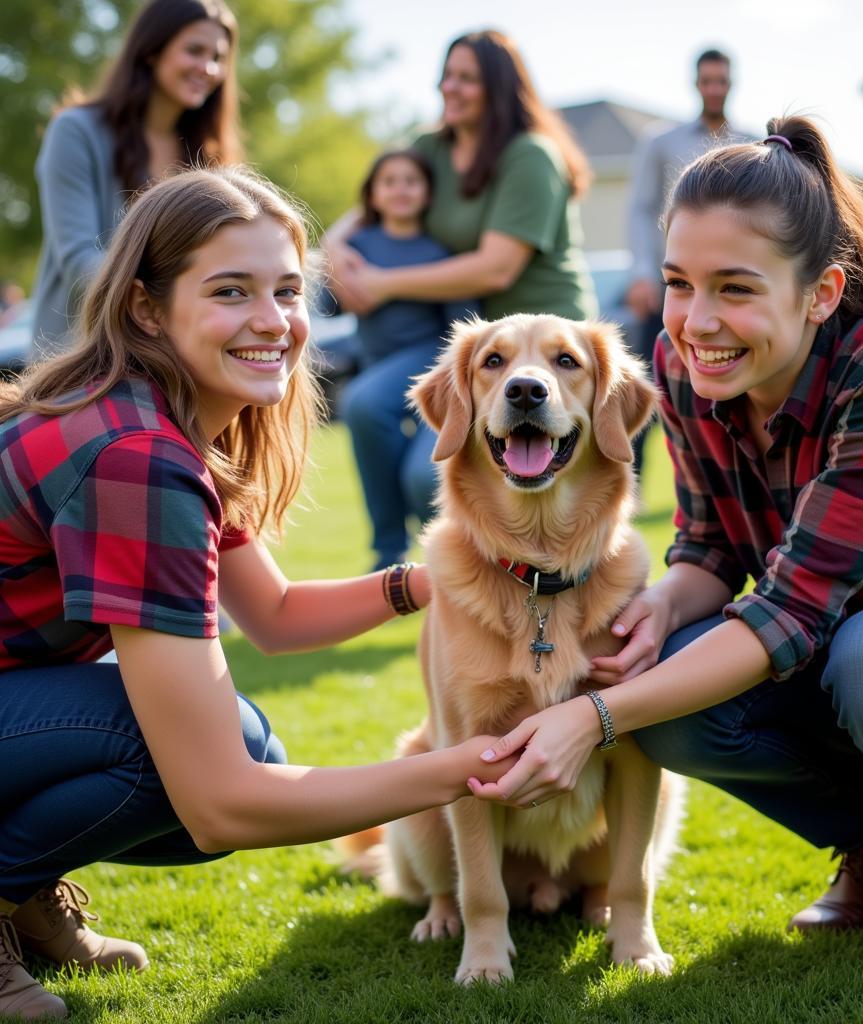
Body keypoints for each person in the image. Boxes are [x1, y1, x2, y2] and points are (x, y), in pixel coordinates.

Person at [467, 117, 863, 977]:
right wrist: (655, 607)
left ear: (824, 292)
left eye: (735, 288)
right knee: (666, 685)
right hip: (846, 645)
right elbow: (710, 549)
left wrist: (593, 716)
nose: (696, 322)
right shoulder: (689, 364)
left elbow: (795, 609)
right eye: (680, 283)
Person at [0, 167, 515, 1020]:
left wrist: (433, 581)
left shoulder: (162, 421)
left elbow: (272, 618)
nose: (273, 321)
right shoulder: (136, 458)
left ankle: (20, 895)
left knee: (231, 742)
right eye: (232, 292)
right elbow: (221, 806)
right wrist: (461, 770)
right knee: (174, 749)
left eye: (287, 290)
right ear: (146, 309)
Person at [323, 29, 597, 325]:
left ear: (498, 90)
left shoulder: (531, 156)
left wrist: (380, 283)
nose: (450, 87)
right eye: (447, 75)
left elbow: (496, 270)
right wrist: (332, 247)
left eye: (467, 79)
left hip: (545, 331)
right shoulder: (428, 146)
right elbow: (376, 205)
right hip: (475, 337)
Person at [30, 0, 242, 356]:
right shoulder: (75, 132)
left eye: (218, 57)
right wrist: (176, 296)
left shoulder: (209, 154)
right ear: (151, 52)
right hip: (83, 357)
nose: (208, 68)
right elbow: (80, 262)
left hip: (178, 355)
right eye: (194, 51)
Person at [340, 149, 478, 571]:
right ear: (373, 195)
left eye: (411, 181)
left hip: (430, 362)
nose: (401, 189)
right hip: (378, 368)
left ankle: (451, 555)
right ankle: (388, 550)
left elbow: (463, 331)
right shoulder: (354, 249)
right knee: (363, 404)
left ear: (428, 193)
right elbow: (326, 301)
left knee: (421, 475)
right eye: (389, 181)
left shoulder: (441, 254)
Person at [625, 49, 754, 474]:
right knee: (646, 381)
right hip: (671, 284)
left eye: (721, 81)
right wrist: (644, 273)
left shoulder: (750, 144)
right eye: (707, 81)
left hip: (726, 287)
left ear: (730, 84)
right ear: (696, 83)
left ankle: (725, 473)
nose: (714, 88)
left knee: (727, 382)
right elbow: (642, 210)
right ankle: (632, 479)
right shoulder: (662, 144)